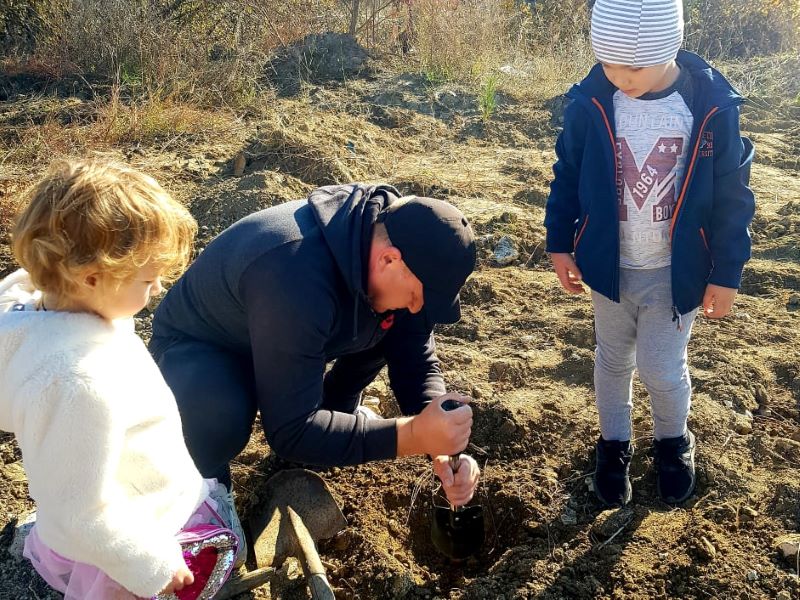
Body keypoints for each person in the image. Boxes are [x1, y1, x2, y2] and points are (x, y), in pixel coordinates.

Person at [149, 183, 481, 516]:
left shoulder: (396, 237)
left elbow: (415, 357)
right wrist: (411, 435)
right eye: (417, 294)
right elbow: (291, 431)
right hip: (204, 350)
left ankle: (338, 419)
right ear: (389, 260)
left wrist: (441, 441)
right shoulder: (293, 272)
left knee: (390, 320)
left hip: (290, 336)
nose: (416, 307)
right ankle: (202, 496)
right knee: (218, 415)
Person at [544, 0, 755, 506]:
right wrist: (559, 242)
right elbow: (566, 174)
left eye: (632, 66)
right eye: (607, 62)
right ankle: (614, 445)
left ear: (669, 48)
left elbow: (733, 194)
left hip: (674, 272)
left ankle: (672, 442)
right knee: (612, 360)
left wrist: (726, 272)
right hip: (608, 267)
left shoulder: (708, 108)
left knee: (663, 367)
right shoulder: (591, 102)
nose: (619, 76)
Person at [0, 159, 240, 599]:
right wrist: (151, 565)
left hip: (116, 473)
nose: (157, 290)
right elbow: (80, 508)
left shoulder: (38, 307)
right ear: (92, 277)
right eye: (148, 280)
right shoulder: (77, 383)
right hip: (127, 534)